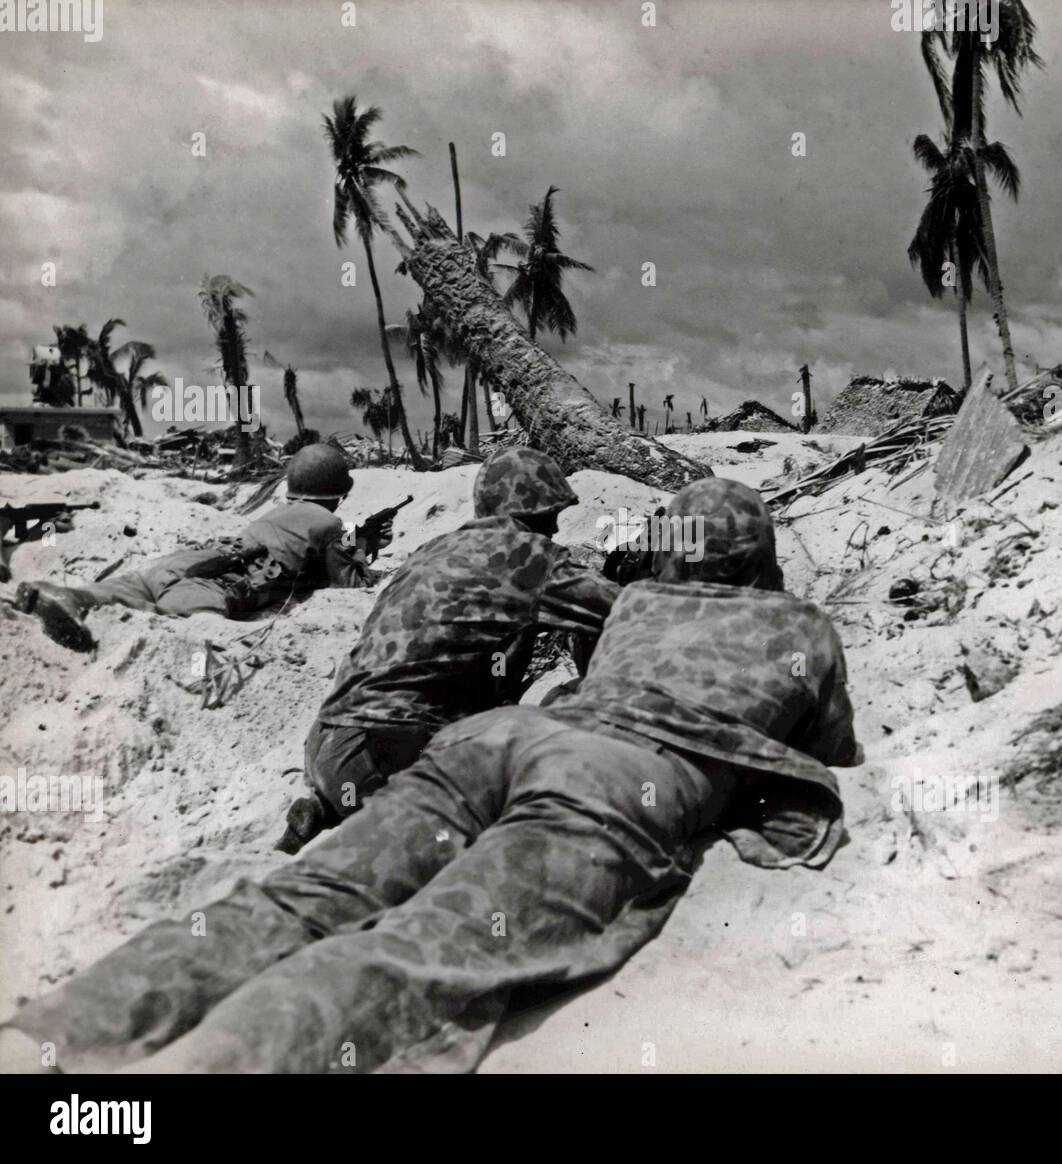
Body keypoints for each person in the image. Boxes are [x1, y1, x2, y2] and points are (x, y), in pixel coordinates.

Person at [0, 478, 860, 1074]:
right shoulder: (804, 625)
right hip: (610, 780)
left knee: (302, 898)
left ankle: (46, 1040)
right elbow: (831, 748)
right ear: (760, 555)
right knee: (416, 954)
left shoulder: (637, 603)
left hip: (494, 741)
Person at [275, 446, 621, 854]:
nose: (557, 531)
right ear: (535, 513)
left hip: (328, 746)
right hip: (392, 751)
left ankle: (328, 808)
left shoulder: (434, 548)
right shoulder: (529, 557)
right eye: (552, 516)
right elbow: (629, 611)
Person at [15, 444, 378, 653]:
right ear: (338, 494)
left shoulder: (280, 511)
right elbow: (351, 583)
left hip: (188, 560)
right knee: (160, 616)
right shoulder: (331, 525)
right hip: (214, 586)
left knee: (121, 590)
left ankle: (64, 595)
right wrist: (362, 546)